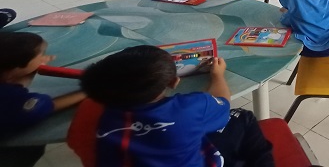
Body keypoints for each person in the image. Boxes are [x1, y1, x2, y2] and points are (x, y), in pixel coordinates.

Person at [68, 45, 274, 167]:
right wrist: (217, 75)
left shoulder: (94, 111)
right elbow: (223, 100)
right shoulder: (190, 108)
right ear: (174, 82)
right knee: (242, 116)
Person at [0, 32, 86, 166]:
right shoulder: (12, 99)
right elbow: (43, 106)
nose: (47, 58)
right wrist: (87, 92)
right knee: (28, 151)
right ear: (12, 72)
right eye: (41, 56)